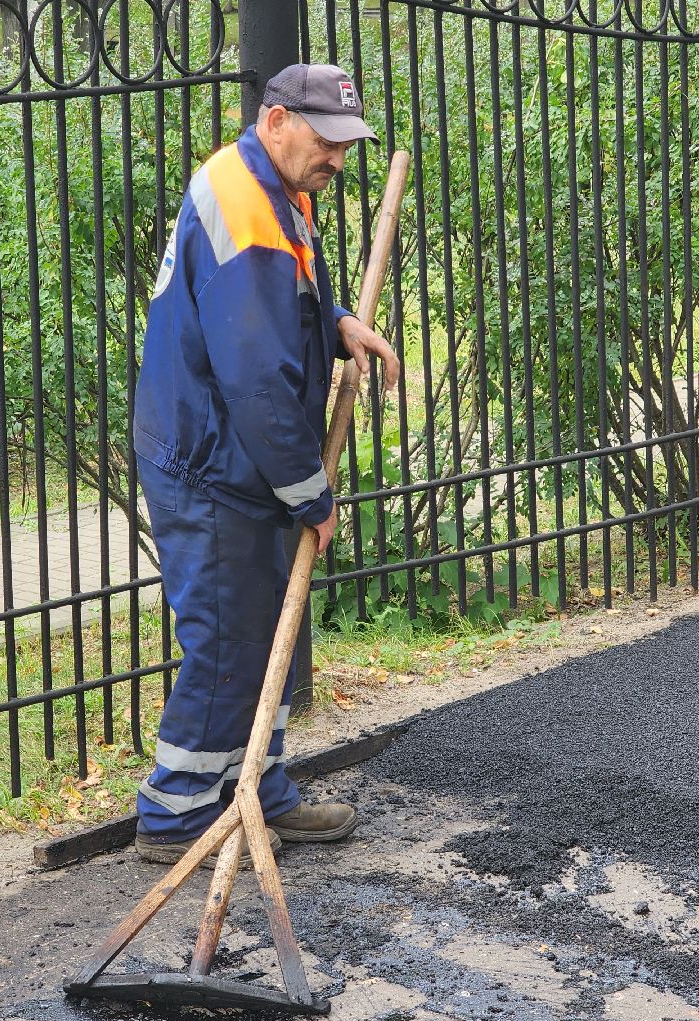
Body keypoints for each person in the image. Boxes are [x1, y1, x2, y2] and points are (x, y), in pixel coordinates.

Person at [130, 64, 400, 866]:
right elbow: (255, 381)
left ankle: (259, 787)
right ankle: (175, 814)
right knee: (226, 637)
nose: (339, 160)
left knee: (263, 628)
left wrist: (341, 321)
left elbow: (291, 297)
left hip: (237, 453)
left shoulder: (276, 186)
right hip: (212, 457)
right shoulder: (246, 203)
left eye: (350, 145)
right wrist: (310, 491)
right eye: (327, 142)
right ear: (277, 119)